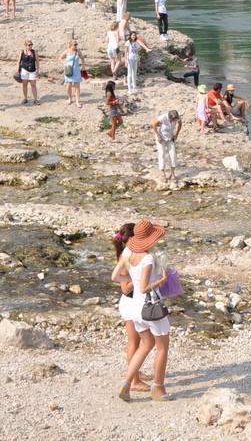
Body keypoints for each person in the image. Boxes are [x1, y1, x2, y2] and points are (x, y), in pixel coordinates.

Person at [112, 219, 172, 402]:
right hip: (150, 307)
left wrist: (133, 280)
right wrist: (161, 281)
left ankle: (127, 382)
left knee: (146, 344)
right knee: (162, 348)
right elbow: (146, 287)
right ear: (150, 240)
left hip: (135, 309)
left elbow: (115, 277)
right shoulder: (148, 258)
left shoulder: (128, 253)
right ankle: (158, 389)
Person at [111, 223, 143, 388]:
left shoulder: (129, 254)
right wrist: (142, 278)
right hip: (129, 302)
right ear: (132, 239)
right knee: (134, 342)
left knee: (136, 342)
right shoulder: (127, 255)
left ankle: (134, 369)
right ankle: (135, 381)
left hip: (133, 301)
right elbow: (125, 287)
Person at [153, 109, 181, 188]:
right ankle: (162, 173)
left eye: (175, 120)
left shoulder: (177, 117)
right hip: (161, 137)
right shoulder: (162, 117)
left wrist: (176, 135)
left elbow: (180, 124)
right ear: (170, 117)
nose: (173, 121)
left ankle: (173, 174)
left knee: (173, 154)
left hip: (170, 137)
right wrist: (158, 136)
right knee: (162, 154)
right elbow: (153, 124)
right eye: (173, 120)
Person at [124, 32, 151, 99]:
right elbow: (125, 52)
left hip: (136, 59)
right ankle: (129, 89)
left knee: (134, 73)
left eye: (134, 35)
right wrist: (126, 61)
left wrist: (147, 49)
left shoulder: (137, 41)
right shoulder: (128, 42)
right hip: (129, 59)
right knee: (129, 74)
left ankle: (134, 87)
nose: (134, 36)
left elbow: (142, 44)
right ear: (130, 36)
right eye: (132, 35)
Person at [62, 39, 85, 107]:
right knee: (68, 85)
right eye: (75, 44)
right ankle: (70, 98)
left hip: (76, 71)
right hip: (69, 70)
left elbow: (82, 58)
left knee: (77, 86)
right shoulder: (67, 51)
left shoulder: (78, 51)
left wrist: (83, 66)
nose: (76, 46)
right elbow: (60, 58)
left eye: (76, 44)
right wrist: (64, 64)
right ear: (71, 45)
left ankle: (77, 101)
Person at [17, 40, 39, 104]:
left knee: (33, 84)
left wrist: (38, 71)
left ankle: (35, 99)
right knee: (25, 84)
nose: (30, 46)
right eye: (29, 45)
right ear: (26, 45)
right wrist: (18, 71)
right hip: (24, 70)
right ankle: (25, 98)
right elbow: (19, 62)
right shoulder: (22, 52)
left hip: (32, 70)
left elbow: (37, 62)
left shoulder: (34, 52)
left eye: (31, 44)